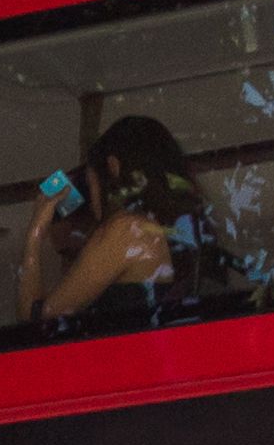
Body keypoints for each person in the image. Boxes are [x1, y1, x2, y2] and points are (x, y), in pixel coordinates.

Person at [15, 113, 214, 332]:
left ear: (112, 167)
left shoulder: (128, 229)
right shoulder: (181, 231)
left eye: (91, 182)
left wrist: (35, 232)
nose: (92, 199)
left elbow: (38, 320)